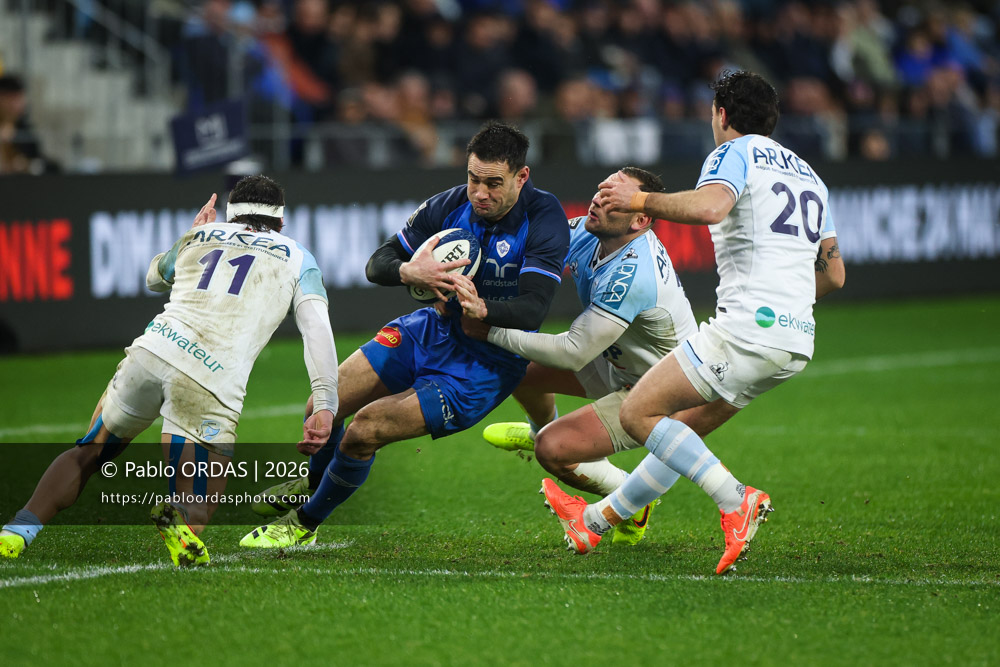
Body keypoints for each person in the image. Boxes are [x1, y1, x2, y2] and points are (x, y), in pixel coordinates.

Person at [538, 70, 846, 574]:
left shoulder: (734, 152)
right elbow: (833, 274)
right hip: (796, 340)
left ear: (721, 114)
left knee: (639, 414)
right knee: (678, 431)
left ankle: (735, 500)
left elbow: (710, 208)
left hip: (747, 329)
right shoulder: (811, 176)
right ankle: (594, 521)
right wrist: (787, 302)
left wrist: (638, 200)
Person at [240, 121, 570, 548]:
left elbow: (535, 307)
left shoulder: (545, 217)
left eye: (493, 183)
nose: (479, 193)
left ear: (521, 177)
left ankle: (302, 524)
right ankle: (315, 484)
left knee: (364, 431)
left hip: (486, 362)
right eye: (473, 179)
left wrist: (483, 308)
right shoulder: (450, 204)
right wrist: (408, 271)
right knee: (321, 405)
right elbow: (377, 263)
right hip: (431, 330)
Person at [0, 175, 339, 567]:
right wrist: (325, 401)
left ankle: (18, 529)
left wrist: (188, 235)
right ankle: (179, 518)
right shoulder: (298, 257)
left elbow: (154, 278)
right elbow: (317, 330)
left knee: (88, 451)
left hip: (152, 350)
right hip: (209, 377)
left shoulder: (200, 235)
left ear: (230, 214)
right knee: (202, 494)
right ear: (281, 221)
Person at [465, 166, 707, 546]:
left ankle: (632, 498)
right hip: (619, 360)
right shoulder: (586, 234)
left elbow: (573, 352)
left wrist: (491, 331)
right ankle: (539, 428)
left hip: (661, 393)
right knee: (518, 369)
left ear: (640, 220)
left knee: (552, 450)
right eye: (601, 190)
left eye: (613, 198)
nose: (597, 199)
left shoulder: (633, 273)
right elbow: (527, 247)